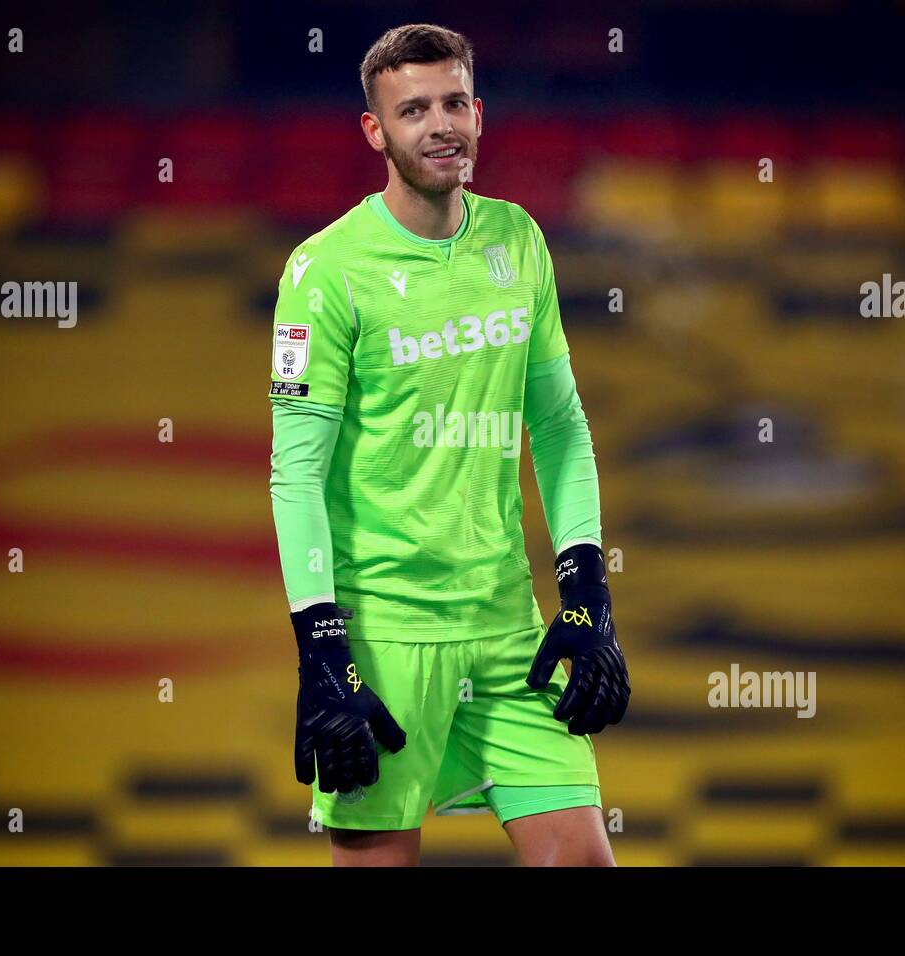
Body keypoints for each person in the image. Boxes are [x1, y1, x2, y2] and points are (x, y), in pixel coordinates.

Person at [268, 22, 629, 866]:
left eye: (454, 103)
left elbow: (561, 427)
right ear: (375, 130)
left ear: (479, 112)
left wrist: (587, 591)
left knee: (580, 859)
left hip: (508, 628)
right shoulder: (325, 271)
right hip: (384, 641)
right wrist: (321, 650)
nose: (440, 125)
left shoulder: (518, 239)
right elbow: (296, 474)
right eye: (414, 109)